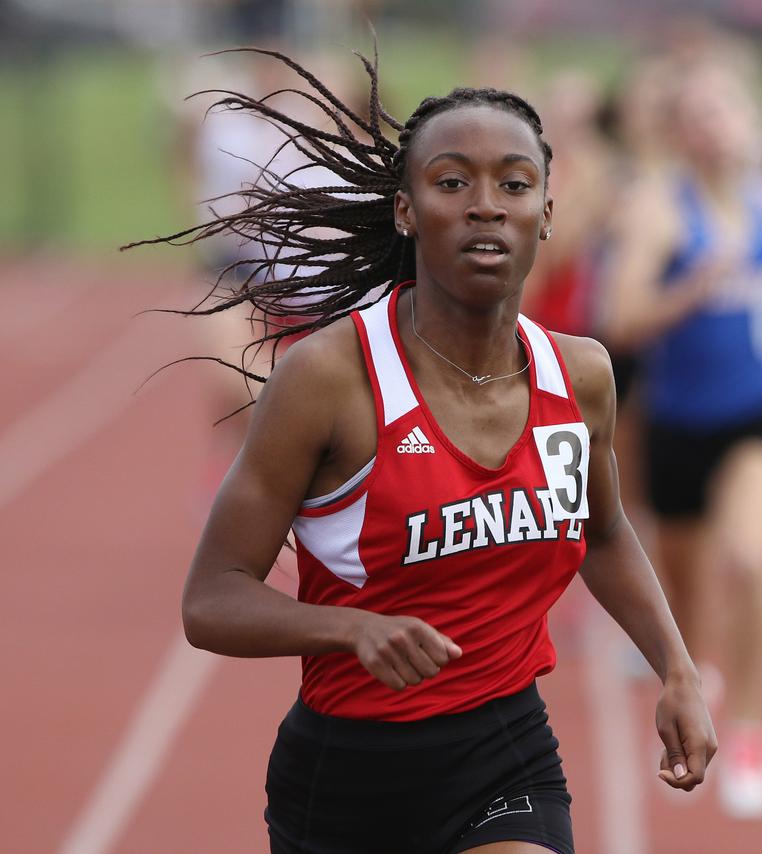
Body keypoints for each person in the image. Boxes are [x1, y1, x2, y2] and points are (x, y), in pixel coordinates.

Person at [127, 47, 716, 853]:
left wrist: (677, 669)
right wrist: (350, 631)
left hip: (503, 754)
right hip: (347, 777)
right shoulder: (331, 379)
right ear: (406, 209)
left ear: (546, 211)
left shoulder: (579, 376)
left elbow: (603, 532)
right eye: (452, 183)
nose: (485, 206)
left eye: (514, 183)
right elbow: (212, 599)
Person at [603, 56, 762, 820]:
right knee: (687, 604)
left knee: (750, 555)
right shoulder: (658, 210)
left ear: (751, 116)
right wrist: (689, 291)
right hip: (678, 423)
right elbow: (619, 319)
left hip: (758, 422)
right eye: (700, 114)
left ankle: (750, 734)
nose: (717, 125)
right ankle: (694, 695)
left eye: (727, 109)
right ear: (681, 133)